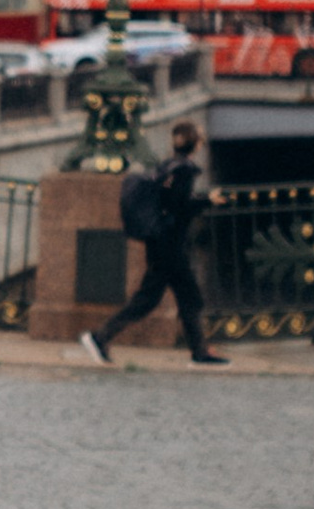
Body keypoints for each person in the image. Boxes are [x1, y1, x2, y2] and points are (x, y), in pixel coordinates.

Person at [81, 119, 225, 365]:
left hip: (161, 242)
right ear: (196, 145)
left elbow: (170, 200)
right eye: (200, 140)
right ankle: (99, 337)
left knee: (167, 298)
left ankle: (199, 351)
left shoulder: (168, 165)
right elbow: (179, 206)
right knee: (175, 298)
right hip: (171, 246)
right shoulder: (184, 170)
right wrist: (207, 201)